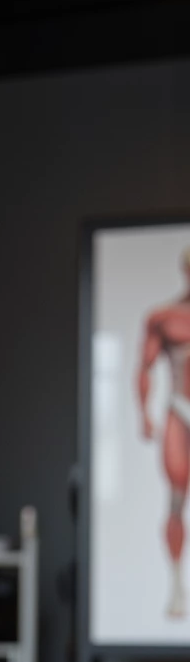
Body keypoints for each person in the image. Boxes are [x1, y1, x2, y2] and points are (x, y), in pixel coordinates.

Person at [136, 247, 190, 619]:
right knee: (175, 500)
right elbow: (145, 366)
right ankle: (176, 587)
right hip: (180, 410)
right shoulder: (165, 317)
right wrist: (144, 414)